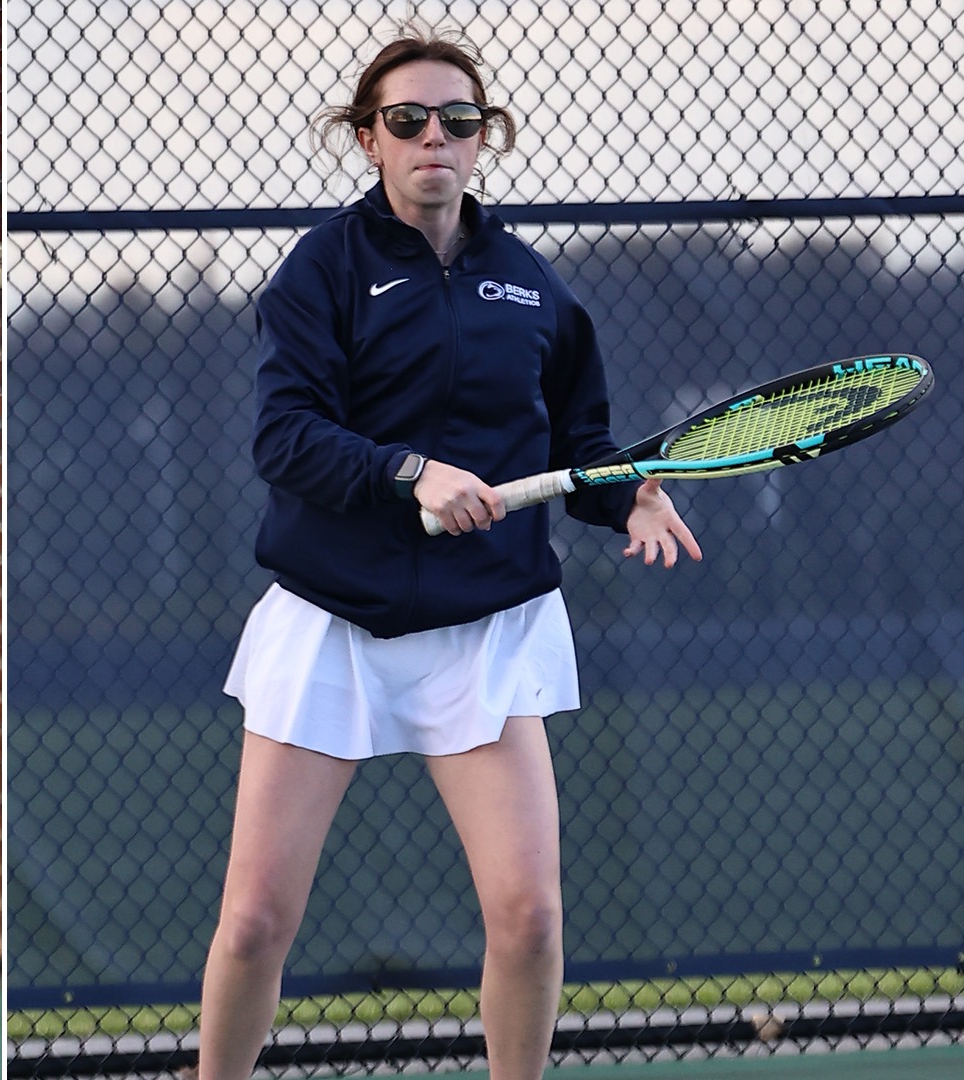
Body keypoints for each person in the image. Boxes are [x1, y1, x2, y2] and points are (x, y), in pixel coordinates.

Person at [196, 26, 701, 1080]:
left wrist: (631, 499)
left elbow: (581, 447)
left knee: (527, 918)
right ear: (369, 141)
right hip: (334, 620)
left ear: (486, 140)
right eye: (409, 120)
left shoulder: (535, 289)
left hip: (488, 628)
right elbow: (284, 437)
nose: (436, 136)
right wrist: (406, 472)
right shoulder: (318, 273)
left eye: (459, 120)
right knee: (251, 924)